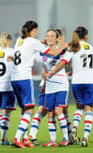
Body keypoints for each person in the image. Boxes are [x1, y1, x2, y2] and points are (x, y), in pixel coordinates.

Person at [10, 20, 68, 148]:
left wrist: (42, 41)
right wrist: (63, 46)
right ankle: (17, 138)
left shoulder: (20, 40)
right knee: (30, 110)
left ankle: (25, 139)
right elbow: (53, 53)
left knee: (24, 109)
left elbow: (34, 45)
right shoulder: (33, 42)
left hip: (14, 78)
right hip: (24, 78)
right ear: (34, 30)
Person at [45, 26, 93, 147]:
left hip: (77, 81)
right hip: (90, 80)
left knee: (79, 107)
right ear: (86, 36)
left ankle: (74, 128)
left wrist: (52, 72)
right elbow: (88, 66)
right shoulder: (92, 48)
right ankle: (85, 137)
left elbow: (63, 62)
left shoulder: (73, 47)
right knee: (88, 110)